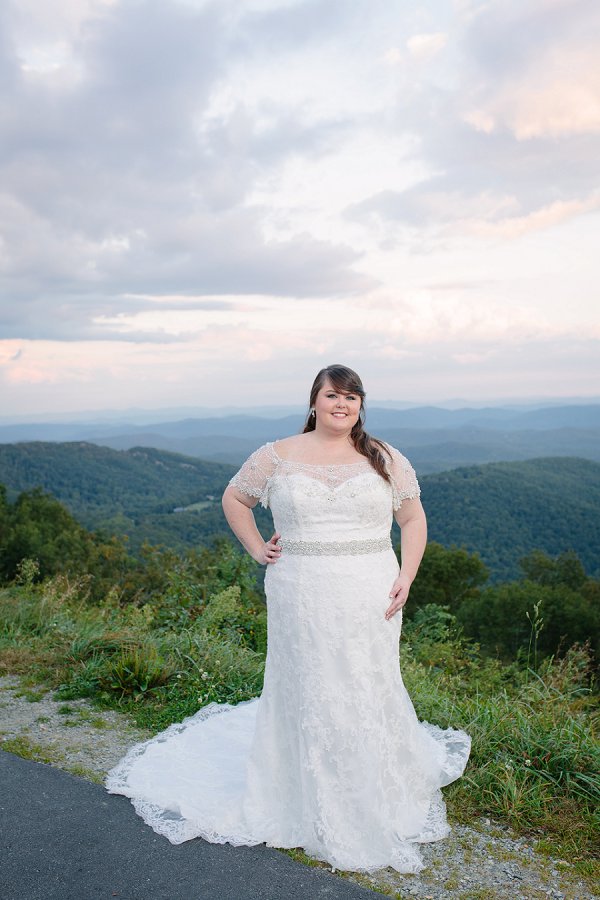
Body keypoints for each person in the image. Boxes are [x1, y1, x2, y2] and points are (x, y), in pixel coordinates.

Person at [106, 364, 471, 874]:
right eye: (331, 395)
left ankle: (372, 779)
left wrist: (407, 575)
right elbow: (235, 499)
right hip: (301, 588)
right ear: (313, 402)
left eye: (351, 397)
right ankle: (302, 790)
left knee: (366, 679)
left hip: (371, 587)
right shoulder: (276, 455)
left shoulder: (384, 457)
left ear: (361, 405)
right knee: (310, 682)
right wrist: (258, 549)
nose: (341, 404)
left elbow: (411, 518)